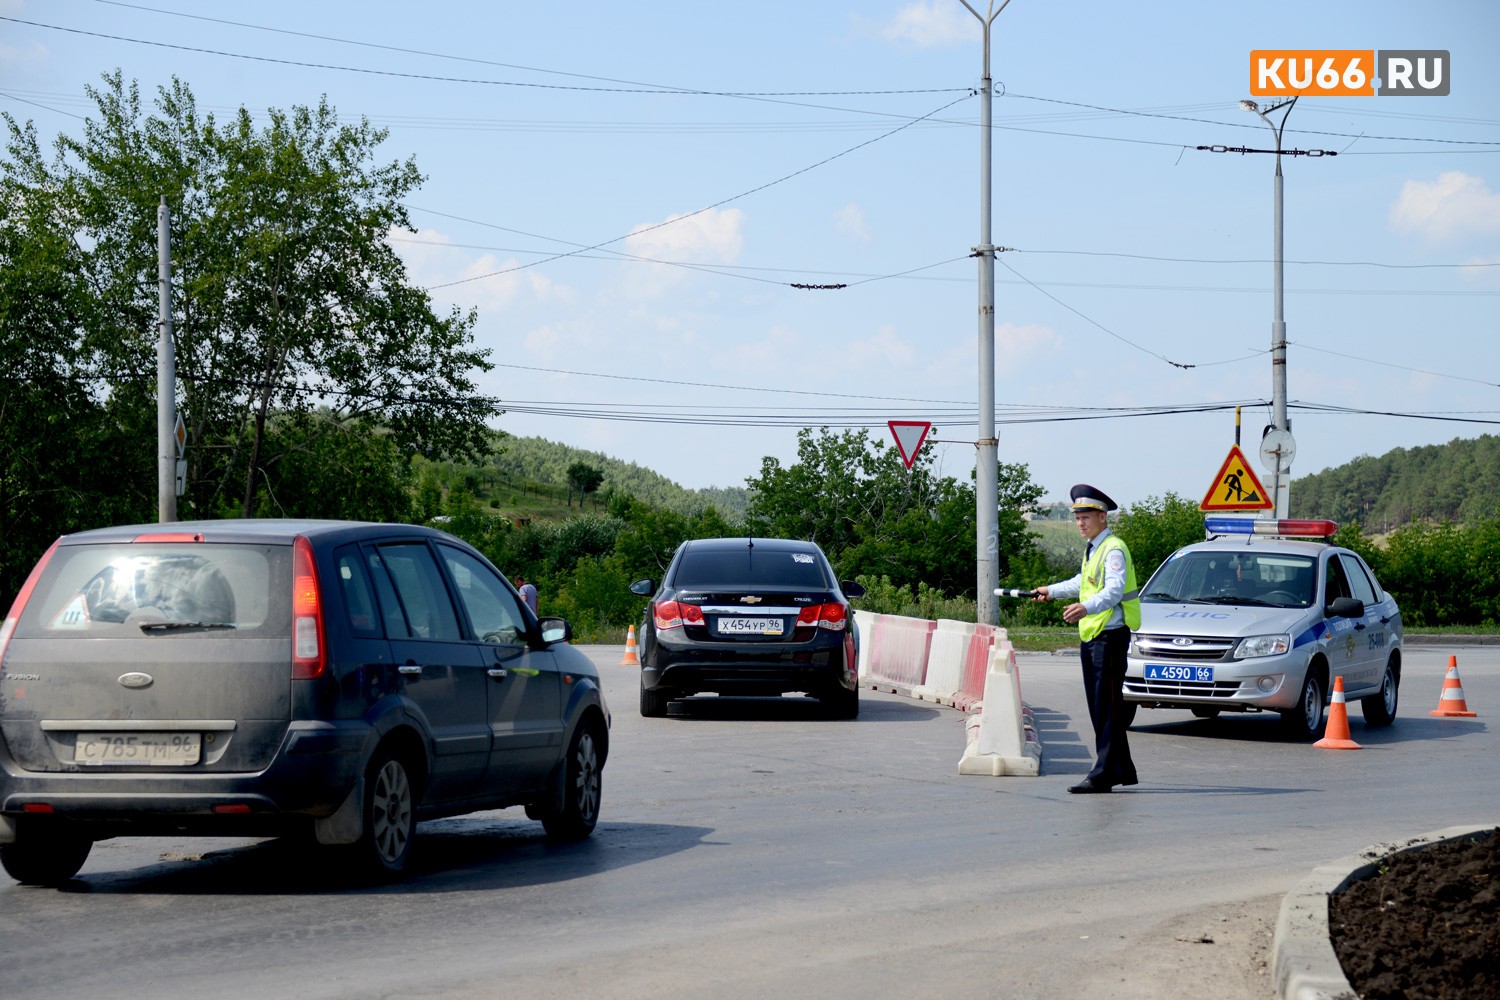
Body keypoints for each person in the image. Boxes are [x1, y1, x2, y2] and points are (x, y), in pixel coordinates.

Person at [1033, 484, 1141, 794]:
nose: (1081, 522)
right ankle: (1119, 768)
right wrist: (1050, 591)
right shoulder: (1094, 548)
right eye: (1078, 517)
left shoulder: (1114, 548)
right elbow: (1084, 582)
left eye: (1087, 517)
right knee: (1102, 708)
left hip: (1109, 637)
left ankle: (1103, 773)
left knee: (1106, 708)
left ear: (1103, 518)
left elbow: (1114, 590)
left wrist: (1085, 607)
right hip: (1094, 635)